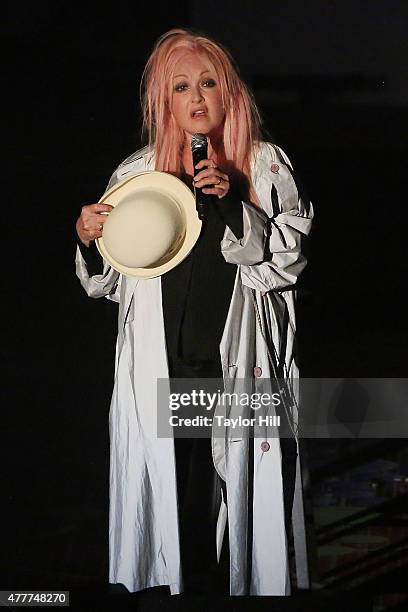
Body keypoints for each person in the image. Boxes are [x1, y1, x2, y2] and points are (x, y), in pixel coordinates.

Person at [75, 28, 313, 596]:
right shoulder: (137, 175)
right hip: (165, 369)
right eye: (182, 86)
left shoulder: (263, 163)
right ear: (165, 99)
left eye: (208, 82)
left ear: (229, 92)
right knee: (175, 507)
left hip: (235, 367)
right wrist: (89, 237)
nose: (197, 97)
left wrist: (234, 201)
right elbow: (108, 280)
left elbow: (285, 261)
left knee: (240, 506)